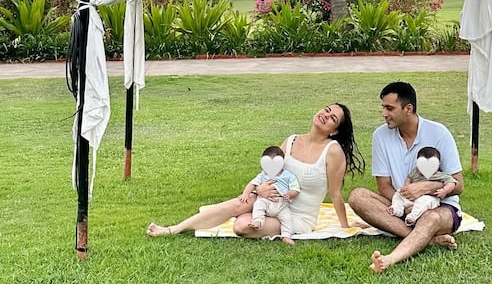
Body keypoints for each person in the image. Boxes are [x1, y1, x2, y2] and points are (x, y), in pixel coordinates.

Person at [146, 103, 364, 240]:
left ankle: (247, 215)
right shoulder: (291, 140)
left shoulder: (332, 151)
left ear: (335, 131)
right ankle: (173, 229)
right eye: (326, 110)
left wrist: (344, 227)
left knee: (241, 226)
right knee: (237, 204)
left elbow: (335, 194)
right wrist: (259, 189)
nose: (326, 115)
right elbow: (271, 172)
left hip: (296, 216)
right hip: (270, 201)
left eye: (333, 118)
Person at [348, 82, 463, 273]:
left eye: (390, 108)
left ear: (408, 109)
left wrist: (425, 188)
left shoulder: (439, 133)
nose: (384, 113)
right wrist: (405, 204)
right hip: (400, 204)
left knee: (431, 218)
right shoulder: (380, 136)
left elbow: (458, 184)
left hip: (439, 207)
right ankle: (428, 239)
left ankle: (390, 259)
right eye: (383, 107)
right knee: (357, 196)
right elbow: (384, 186)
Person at [243, 145, 300, 245]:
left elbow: (295, 189)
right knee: (258, 205)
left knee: (287, 219)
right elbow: (252, 183)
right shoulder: (263, 175)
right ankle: (258, 222)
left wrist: (290, 194)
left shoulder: (288, 176)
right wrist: (245, 194)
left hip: (281, 204)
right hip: (265, 201)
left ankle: (286, 236)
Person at [389, 146, 457, 226]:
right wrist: (406, 187)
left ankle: (412, 217)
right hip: (412, 196)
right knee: (398, 194)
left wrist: (445, 191)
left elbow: (452, 183)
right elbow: (409, 178)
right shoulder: (416, 171)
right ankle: (397, 209)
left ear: (438, 165)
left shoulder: (440, 175)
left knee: (424, 202)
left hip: (429, 197)